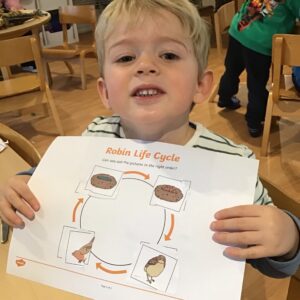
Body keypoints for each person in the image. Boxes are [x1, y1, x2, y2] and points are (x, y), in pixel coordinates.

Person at [0, 0, 299, 280]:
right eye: (126, 57)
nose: (145, 66)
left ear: (200, 85)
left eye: (168, 55)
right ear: (105, 93)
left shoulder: (230, 164)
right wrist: (26, 186)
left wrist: (287, 236)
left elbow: (269, 257)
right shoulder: (94, 137)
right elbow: (58, 190)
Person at [217, 0, 300, 137]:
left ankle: (224, 97)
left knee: (231, 70)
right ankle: (254, 122)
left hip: (238, 29)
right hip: (260, 43)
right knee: (256, 84)